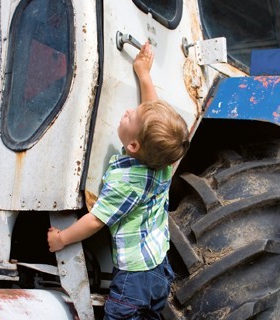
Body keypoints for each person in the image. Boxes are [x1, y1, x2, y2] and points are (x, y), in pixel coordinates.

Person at [47, 42, 189, 319]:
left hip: (134, 278)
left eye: (130, 117)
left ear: (134, 146)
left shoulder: (126, 181)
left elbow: (96, 220)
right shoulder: (164, 165)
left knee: (120, 315)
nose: (127, 112)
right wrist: (143, 74)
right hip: (159, 268)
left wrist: (61, 239)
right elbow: (150, 108)